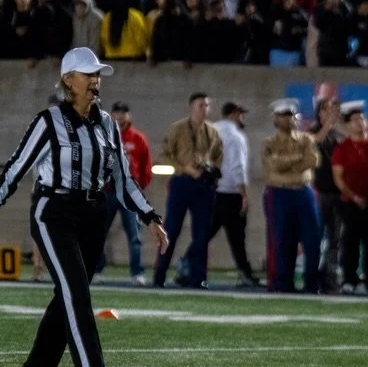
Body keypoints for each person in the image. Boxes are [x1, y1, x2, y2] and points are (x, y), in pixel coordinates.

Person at [0, 47, 167, 367]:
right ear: (67, 80)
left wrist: (150, 216)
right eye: (88, 74)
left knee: (69, 292)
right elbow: (16, 168)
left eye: (98, 75)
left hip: (94, 212)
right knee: (76, 290)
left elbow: (124, 181)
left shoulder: (107, 124)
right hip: (54, 211)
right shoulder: (48, 121)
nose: (95, 80)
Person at [152, 92, 224, 290]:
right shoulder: (177, 129)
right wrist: (185, 168)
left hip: (204, 185)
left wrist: (210, 169)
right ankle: (159, 275)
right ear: (191, 107)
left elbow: (218, 157)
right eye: (201, 105)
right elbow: (164, 156)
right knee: (171, 230)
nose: (205, 109)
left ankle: (198, 277)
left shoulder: (212, 132)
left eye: (207, 105)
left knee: (202, 233)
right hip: (182, 182)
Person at [262, 100, 323, 294]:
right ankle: (283, 283)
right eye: (283, 116)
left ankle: (311, 283)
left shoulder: (306, 139)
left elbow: (313, 160)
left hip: (303, 191)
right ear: (276, 119)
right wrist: (297, 160)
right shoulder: (269, 143)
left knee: (312, 238)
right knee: (282, 239)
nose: (288, 120)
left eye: (291, 115)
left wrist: (286, 163)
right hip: (280, 192)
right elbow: (273, 165)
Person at [331, 102, 368, 294]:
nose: (360, 123)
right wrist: (354, 197)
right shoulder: (342, 149)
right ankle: (349, 280)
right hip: (350, 202)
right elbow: (338, 178)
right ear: (347, 125)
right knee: (350, 242)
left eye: (362, 119)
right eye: (354, 120)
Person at [199, 101, 255, 288]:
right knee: (237, 237)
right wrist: (244, 194)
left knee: (205, 233)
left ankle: (188, 266)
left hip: (211, 189)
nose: (242, 118)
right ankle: (245, 274)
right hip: (230, 193)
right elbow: (238, 166)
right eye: (241, 114)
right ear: (234, 114)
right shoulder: (235, 136)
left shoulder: (210, 130)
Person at [95, 100, 151, 285]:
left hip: (129, 193)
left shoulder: (138, 138)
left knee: (135, 235)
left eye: (123, 112)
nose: (119, 116)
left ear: (129, 115)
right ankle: (96, 270)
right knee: (99, 232)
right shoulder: (104, 136)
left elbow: (145, 167)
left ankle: (137, 273)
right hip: (108, 191)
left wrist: (138, 187)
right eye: (116, 112)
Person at [308, 96, 344, 293]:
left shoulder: (339, 136)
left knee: (335, 240)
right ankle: (312, 279)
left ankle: (329, 278)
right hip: (318, 194)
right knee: (315, 237)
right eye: (325, 109)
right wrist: (326, 126)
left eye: (333, 109)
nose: (330, 113)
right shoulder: (311, 133)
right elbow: (313, 144)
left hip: (337, 194)